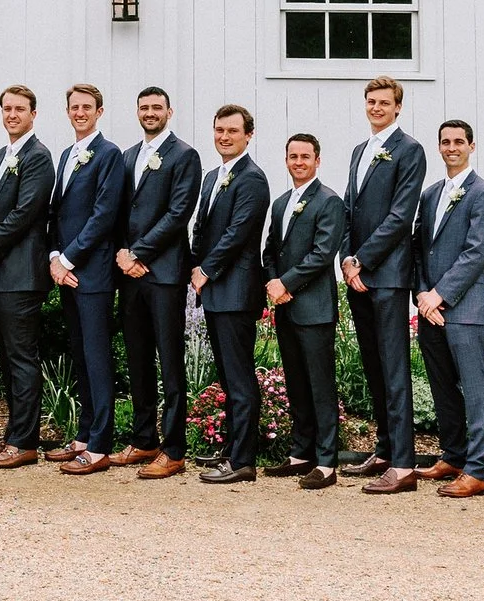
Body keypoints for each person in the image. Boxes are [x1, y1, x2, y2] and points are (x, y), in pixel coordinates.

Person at [339, 76, 425, 492]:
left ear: (397, 107)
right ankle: (387, 448)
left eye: (384, 102)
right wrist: (346, 259)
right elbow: (349, 210)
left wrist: (362, 259)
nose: (376, 107)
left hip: (388, 276)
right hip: (358, 275)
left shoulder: (409, 151)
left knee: (394, 369)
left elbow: (400, 216)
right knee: (373, 366)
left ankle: (405, 466)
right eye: (371, 101)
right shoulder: (359, 151)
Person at [113, 85, 200, 480]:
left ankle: (174, 448)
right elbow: (117, 210)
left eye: (156, 108)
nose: (150, 113)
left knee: (169, 362)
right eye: (144, 107)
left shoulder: (184, 155)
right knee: (138, 360)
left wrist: (139, 254)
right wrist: (121, 252)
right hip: (129, 275)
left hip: (163, 274)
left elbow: (178, 212)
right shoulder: (129, 156)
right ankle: (144, 438)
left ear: (169, 111)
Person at [413, 119, 484, 498]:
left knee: (475, 389)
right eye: (445, 141)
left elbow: (477, 252)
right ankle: (454, 454)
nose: (451, 147)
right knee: (442, 386)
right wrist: (421, 294)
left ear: (471, 146)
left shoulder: (482, 193)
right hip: (430, 307)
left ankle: (478, 470)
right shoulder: (430, 194)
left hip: (463, 308)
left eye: (458, 141)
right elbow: (419, 249)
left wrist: (440, 295)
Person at [0, 83, 52, 469]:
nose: (12, 115)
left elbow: (25, 213)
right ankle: (12, 434)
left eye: (20, 109)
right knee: (7, 359)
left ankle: (25, 442)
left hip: (21, 276)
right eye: (6, 109)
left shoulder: (38, 157)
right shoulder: (1, 156)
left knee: (22, 359)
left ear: (33, 114)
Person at [47, 82, 126, 473]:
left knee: (97, 359)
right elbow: (58, 213)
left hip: (92, 274)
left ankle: (100, 445)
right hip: (67, 273)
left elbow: (103, 215)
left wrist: (70, 259)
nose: (79, 112)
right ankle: (83, 434)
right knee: (80, 356)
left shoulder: (108, 154)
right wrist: (53, 257)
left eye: (86, 107)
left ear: (99, 111)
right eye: (74, 107)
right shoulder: (66, 155)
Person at [262, 133, 346, 490]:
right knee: (296, 382)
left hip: (314, 308)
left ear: (317, 160)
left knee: (320, 385)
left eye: (305, 156)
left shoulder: (328, 201)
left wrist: (287, 283)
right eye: (293, 156)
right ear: (286, 160)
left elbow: (323, 253)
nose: (298, 162)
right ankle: (301, 452)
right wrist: (271, 282)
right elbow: (270, 250)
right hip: (285, 307)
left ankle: (327, 462)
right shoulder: (281, 203)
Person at [192, 105, 271, 484]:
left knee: (240, 381)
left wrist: (206, 269)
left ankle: (243, 461)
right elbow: (202, 229)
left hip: (236, 290)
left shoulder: (253, 179)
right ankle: (229, 450)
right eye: (219, 129)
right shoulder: (212, 177)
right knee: (227, 378)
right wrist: (194, 263)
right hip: (214, 292)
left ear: (248, 135)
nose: (224, 136)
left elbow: (238, 232)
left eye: (232, 131)